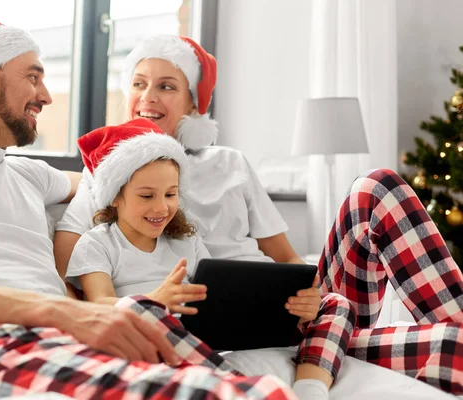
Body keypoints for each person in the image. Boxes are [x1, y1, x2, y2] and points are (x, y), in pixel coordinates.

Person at [0, 14, 309, 399]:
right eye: (32, 77)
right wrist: (73, 312)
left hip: (53, 339)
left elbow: (109, 180)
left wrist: (161, 180)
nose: (47, 95)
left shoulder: (26, 173)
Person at [53, 34, 463, 394]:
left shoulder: (230, 162)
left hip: (284, 312)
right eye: (138, 85)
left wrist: (310, 297)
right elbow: (76, 272)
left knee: (376, 186)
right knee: (452, 348)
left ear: (194, 101)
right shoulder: (108, 174)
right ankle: (340, 353)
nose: (148, 96)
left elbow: (286, 258)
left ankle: (433, 322)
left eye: (166, 86)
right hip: (197, 321)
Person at [66, 117, 358, 400]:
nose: (161, 207)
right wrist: (157, 299)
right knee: (143, 309)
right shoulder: (97, 243)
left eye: (170, 194)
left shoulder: (186, 240)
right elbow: (98, 304)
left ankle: (310, 390)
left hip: (203, 336)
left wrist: (297, 309)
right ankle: (240, 389)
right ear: (115, 196)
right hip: (147, 337)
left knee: (334, 302)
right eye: (146, 196)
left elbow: (215, 295)